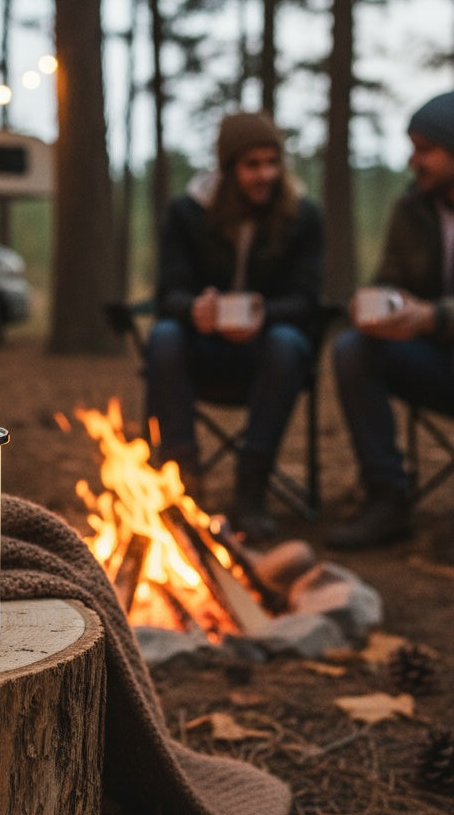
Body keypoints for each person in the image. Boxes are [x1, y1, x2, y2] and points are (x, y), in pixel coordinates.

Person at [145, 110, 324, 542]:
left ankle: (251, 490)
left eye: (273, 162)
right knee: (164, 335)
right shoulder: (188, 213)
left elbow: (307, 300)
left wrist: (265, 314)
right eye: (252, 164)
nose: (266, 174)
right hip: (203, 351)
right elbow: (168, 293)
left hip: (267, 356)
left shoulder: (303, 216)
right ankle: (182, 480)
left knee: (287, 342)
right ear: (228, 168)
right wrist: (194, 310)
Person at [328, 89, 454, 553]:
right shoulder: (412, 208)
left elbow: (429, 314)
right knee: (353, 349)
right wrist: (374, 305)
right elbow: (390, 280)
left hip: (439, 337)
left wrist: (433, 316)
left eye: (426, 150)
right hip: (435, 363)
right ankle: (386, 499)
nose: (413, 161)